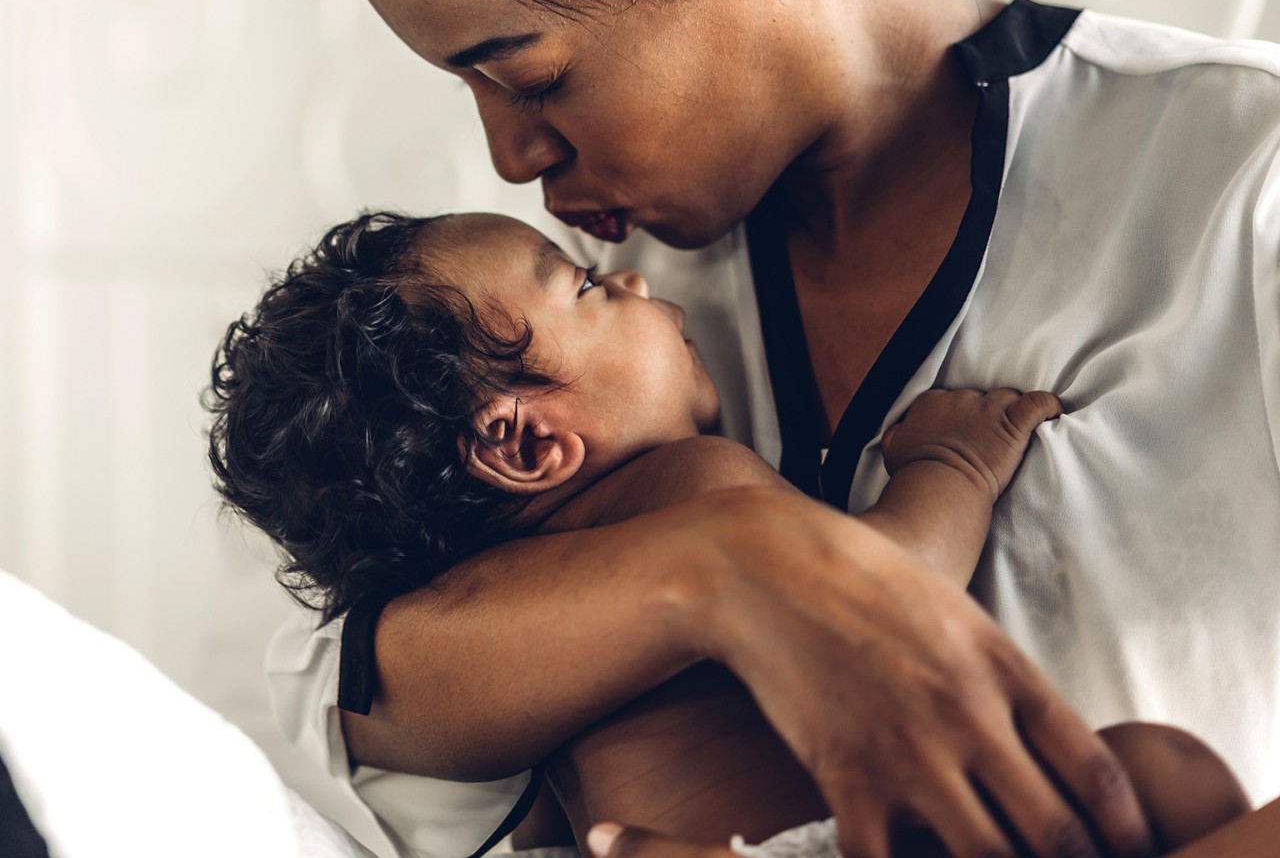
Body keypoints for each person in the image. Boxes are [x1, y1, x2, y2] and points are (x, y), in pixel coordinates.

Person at [265, 0, 1280, 855]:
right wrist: (726, 570)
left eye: (532, 76)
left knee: (1161, 778)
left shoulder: (1241, 176)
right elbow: (348, 685)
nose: (511, 158)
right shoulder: (574, 322)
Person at [209, 210, 1247, 857]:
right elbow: (878, 584)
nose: (632, 279)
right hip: (843, 841)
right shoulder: (687, 484)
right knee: (1162, 772)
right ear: (526, 443)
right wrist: (954, 465)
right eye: (582, 286)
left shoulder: (497, 623)